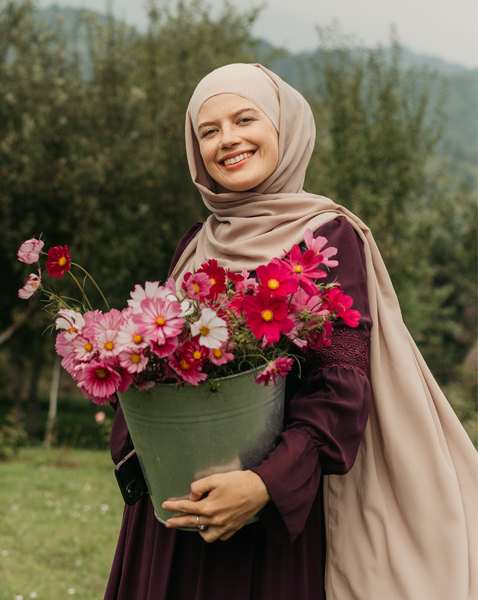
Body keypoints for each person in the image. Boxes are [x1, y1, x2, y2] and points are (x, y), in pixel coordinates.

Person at [104, 64, 477, 600]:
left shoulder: (326, 236)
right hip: (178, 519)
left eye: (244, 118)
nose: (227, 139)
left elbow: (341, 386)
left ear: (283, 127)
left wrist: (261, 486)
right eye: (208, 131)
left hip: (269, 525)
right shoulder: (194, 244)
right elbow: (156, 367)